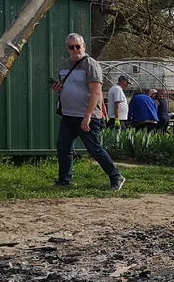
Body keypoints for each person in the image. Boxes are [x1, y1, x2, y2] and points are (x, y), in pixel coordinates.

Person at [51, 33, 125, 191]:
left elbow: (96, 93)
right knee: (63, 147)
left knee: (94, 149)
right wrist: (57, 89)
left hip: (87, 116)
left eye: (78, 46)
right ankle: (64, 180)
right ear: (68, 49)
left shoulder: (91, 65)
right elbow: (70, 87)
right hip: (68, 115)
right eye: (71, 47)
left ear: (84, 46)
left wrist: (88, 116)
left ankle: (116, 176)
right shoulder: (65, 65)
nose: (75, 49)